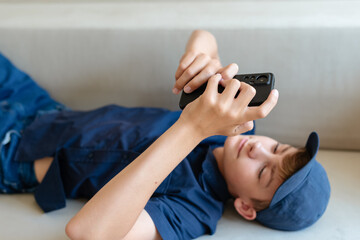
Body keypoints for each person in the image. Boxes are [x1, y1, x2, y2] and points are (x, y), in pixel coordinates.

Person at [0, 30, 330, 240]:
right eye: (279, 148)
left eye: (263, 172)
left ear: (245, 207)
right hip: (44, 107)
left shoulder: (194, 210)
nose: (260, 150)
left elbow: (87, 233)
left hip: (15, 153)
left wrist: (193, 129)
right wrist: (203, 58)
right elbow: (204, 34)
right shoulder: (234, 123)